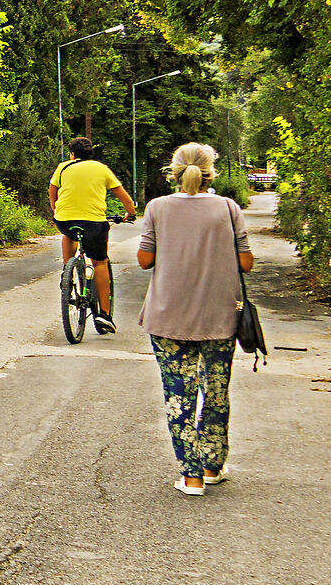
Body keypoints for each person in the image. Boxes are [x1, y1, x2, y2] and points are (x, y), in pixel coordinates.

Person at [135, 142, 254, 496]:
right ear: (209, 172)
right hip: (220, 315)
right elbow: (246, 262)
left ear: (173, 172)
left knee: (178, 395)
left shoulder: (157, 207)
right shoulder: (228, 208)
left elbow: (144, 260)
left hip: (169, 315)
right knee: (216, 392)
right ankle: (213, 465)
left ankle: (191, 477)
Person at [48, 137, 138, 333]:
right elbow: (123, 196)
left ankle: (67, 270)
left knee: (69, 233)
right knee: (99, 262)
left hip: (64, 219)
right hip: (93, 223)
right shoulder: (101, 169)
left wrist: (56, 209)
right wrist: (130, 214)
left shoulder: (63, 168)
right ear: (91, 153)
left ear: (72, 154)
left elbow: (52, 190)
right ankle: (104, 315)